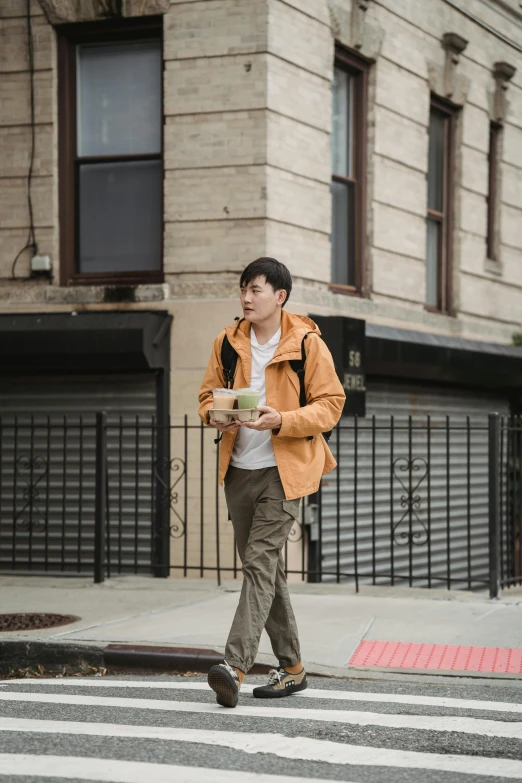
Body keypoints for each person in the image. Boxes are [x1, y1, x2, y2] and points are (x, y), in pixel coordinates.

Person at [198, 257, 345, 708]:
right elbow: (206, 396)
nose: (246, 297)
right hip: (238, 472)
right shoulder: (227, 342)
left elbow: (332, 404)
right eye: (243, 288)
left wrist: (283, 419)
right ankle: (294, 670)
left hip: (287, 472)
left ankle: (234, 666)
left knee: (259, 564)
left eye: (256, 289)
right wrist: (216, 416)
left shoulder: (306, 344)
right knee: (269, 572)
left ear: (279, 296)